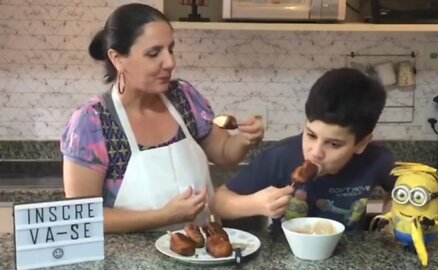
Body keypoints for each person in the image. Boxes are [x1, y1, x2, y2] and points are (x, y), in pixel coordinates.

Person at [60, 3, 264, 233]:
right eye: (154, 53)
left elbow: (224, 152)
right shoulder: (93, 123)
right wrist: (164, 217)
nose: (170, 62)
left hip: (202, 252)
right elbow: (83, 217)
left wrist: (245, 139)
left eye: (171, 49)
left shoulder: (183, 97)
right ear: (118, 59)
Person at [212, 68, 396, 231]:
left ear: (361, 143)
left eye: (333, 144)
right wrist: (255, 204)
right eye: (311, 135)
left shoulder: (377, 160)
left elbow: (407, 192)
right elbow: (219, 202)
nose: (315, 152)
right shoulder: (280, 157)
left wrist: (389, 222)